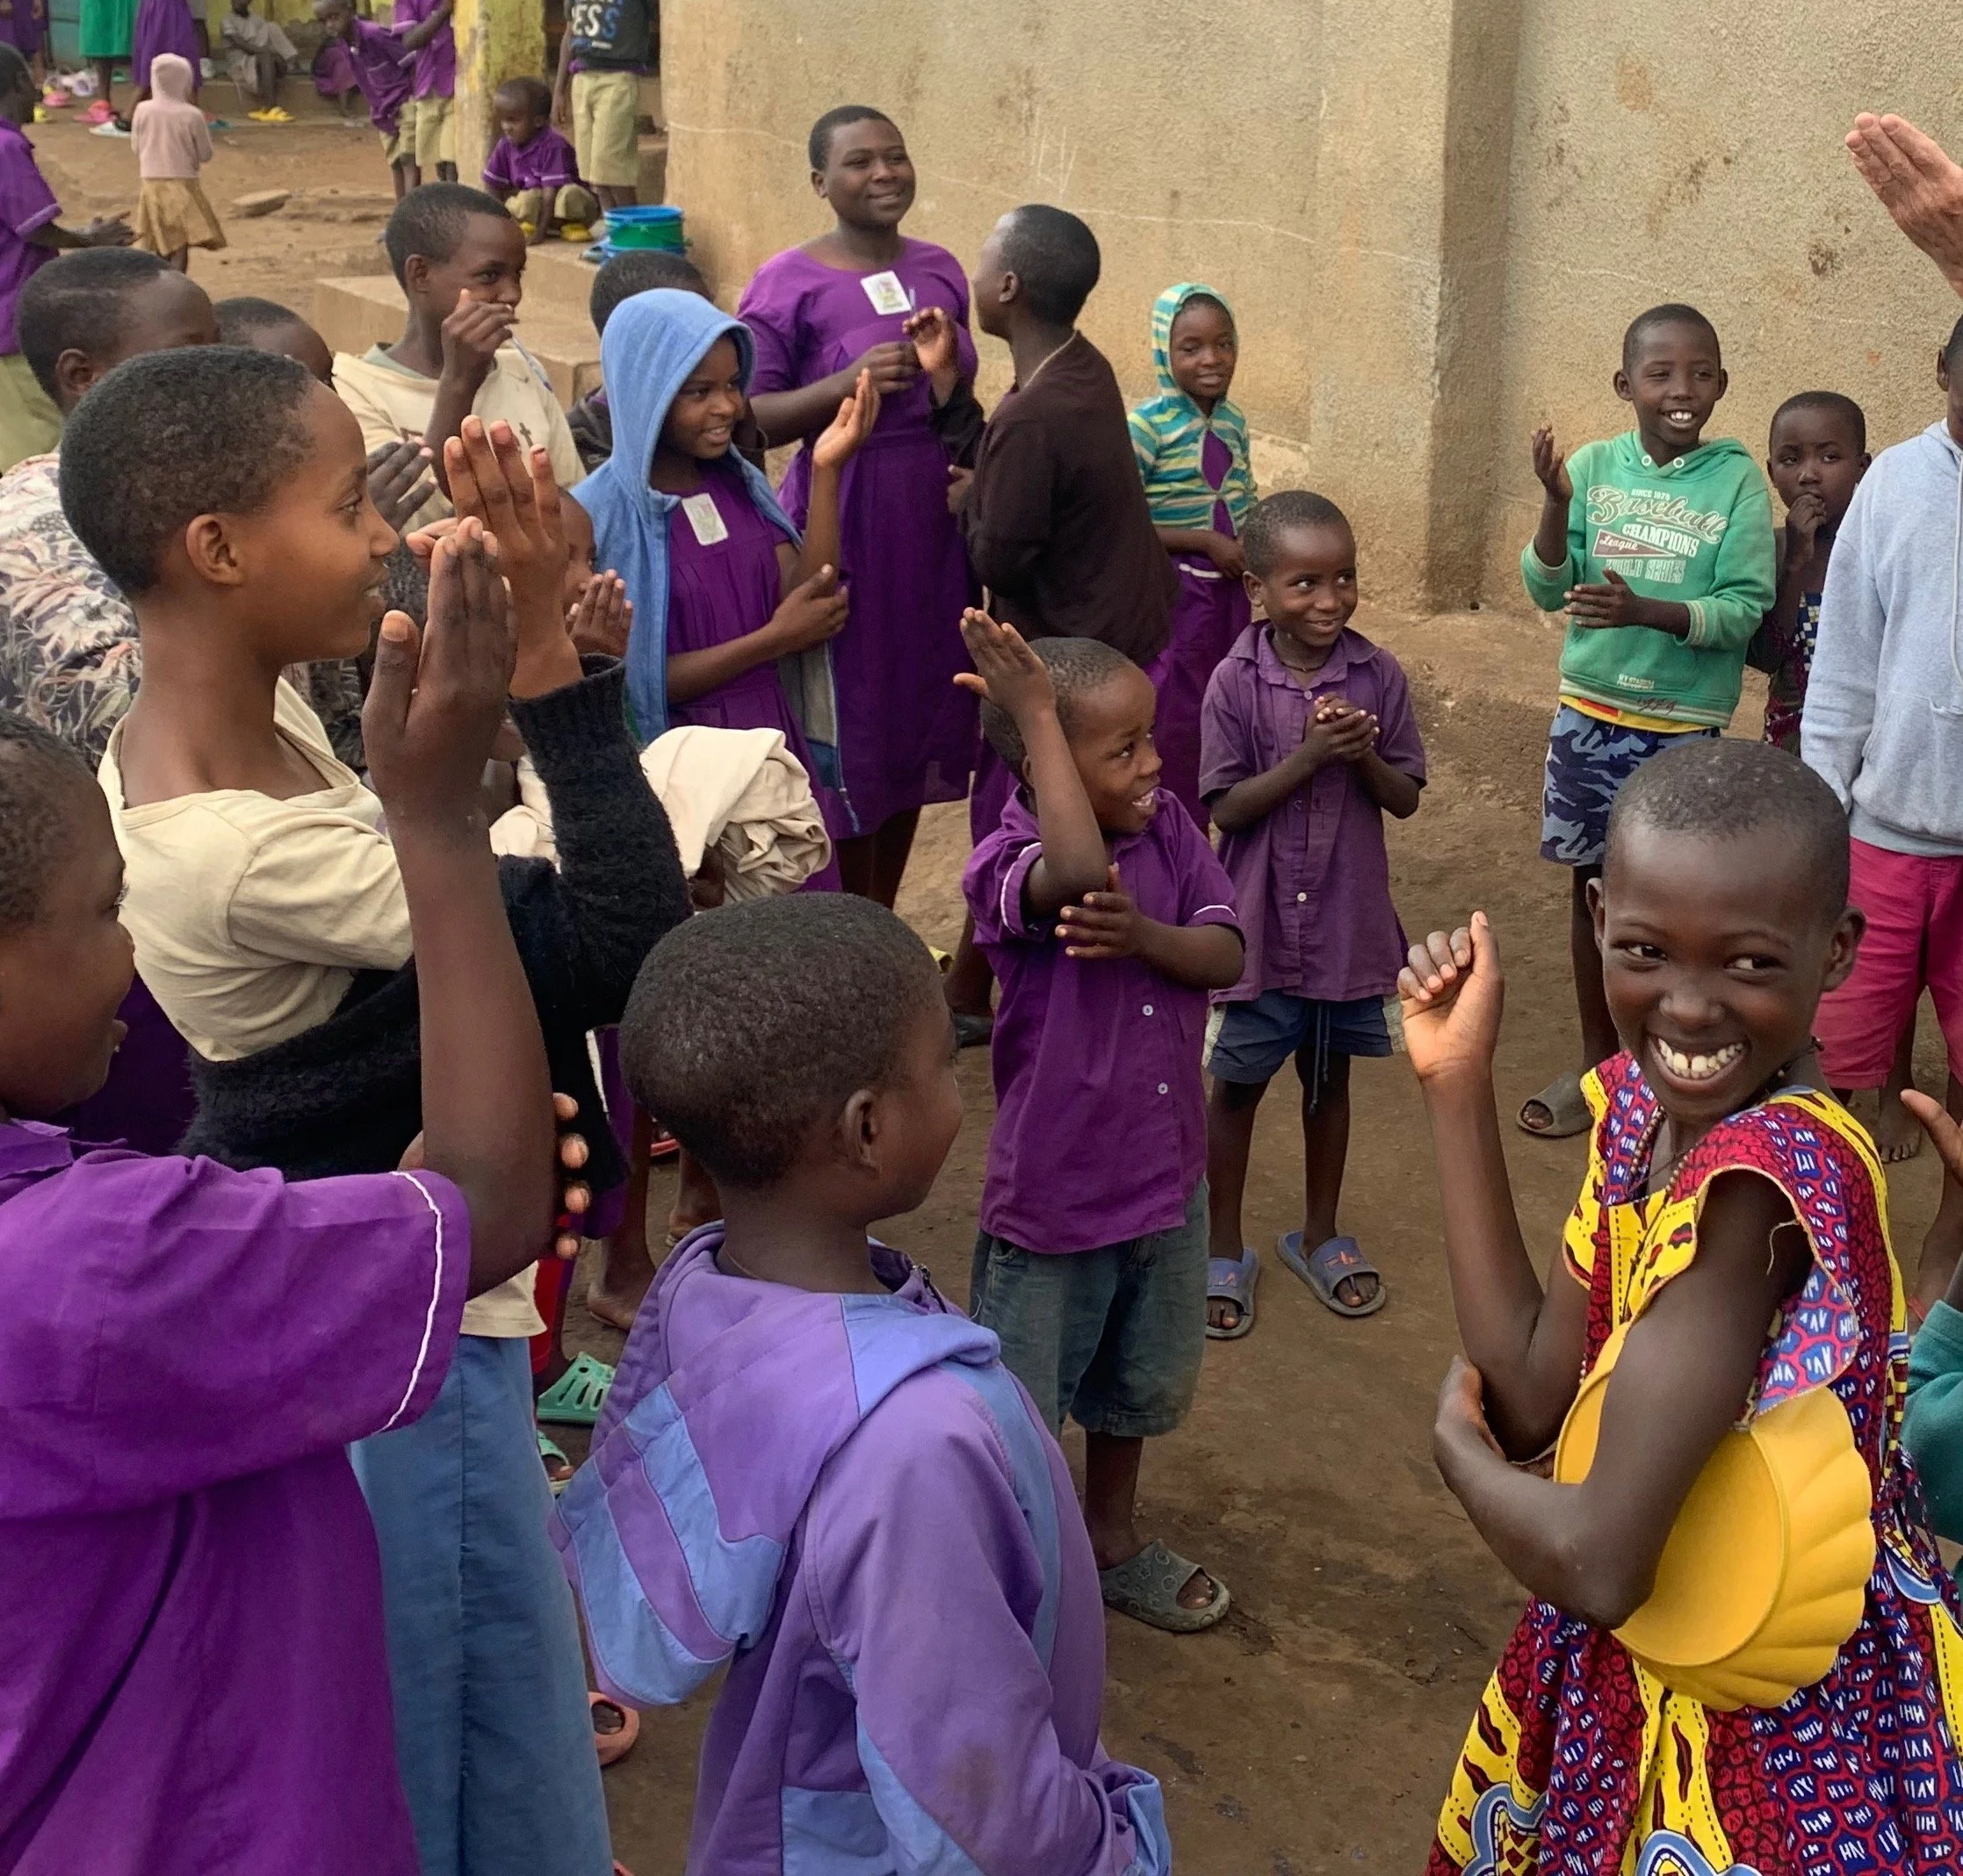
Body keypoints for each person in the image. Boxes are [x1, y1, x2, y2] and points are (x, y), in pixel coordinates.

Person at [77, 350, 689, 1876]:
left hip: (367, 1311)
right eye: (349, 503)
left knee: (452, 1712)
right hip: (412, 1363)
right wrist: (554, 675)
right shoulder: (235, 853)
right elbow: (624, 939)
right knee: (448, 1757)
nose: (379, 536)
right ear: (219, 551)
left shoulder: (218, 738)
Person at [0, 538, 595, 1868]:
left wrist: (362, 1233)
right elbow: (494, 1207)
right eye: (102, 915)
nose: (129, 954)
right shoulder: (99, 1260)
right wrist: (435, 824)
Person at [1401, 735, 1963, 1872]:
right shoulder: (1635, 1119)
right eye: (1645, 952)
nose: (1688, 1008)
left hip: (1760, 1709)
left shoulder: (1758, 1190)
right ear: (1597, 917)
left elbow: (1600, 1559)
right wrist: (1456, 1085)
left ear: (1836, 952)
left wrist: (1456, 1458)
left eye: (1748, 964)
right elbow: (1529, 1389)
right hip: (1669, 1642)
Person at [553, 892, 1174, 1876]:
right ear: (870, 1130)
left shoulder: (711, 1302)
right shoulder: (910, 1451)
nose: (961, 1088)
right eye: (944, 1064)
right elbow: (978, 1809)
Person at [960, 611, 1241, 1634]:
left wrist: (1147, 938)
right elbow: (1074, 875)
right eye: (1121, 749)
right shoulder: (1007, 860)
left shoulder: (1170, 832)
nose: (1154, 764)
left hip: (1166, 1182)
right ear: (1043, 765)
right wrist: (1035, 706)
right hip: (1057, 1193)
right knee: (1021, 1407)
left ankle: (1110, 1536)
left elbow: (1227, 955)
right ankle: (1014, 1568)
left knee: (1136, 1382)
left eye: (1151, 737)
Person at [1515, 302, 1775, 1140]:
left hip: (1682, 726)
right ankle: (1602, 1072)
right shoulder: (1592, 468)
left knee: (1676, 902)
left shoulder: (1734, 481)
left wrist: (1647, 609)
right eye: (1660, 374)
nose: (1681, 390)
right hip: (1591, 716)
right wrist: (1555, 503)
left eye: (1701, 373)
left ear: (1722, 384)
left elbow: (1742, 610)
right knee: (1591, 892)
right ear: (1625, 384)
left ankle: (1666, 1072)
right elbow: (1548, 587)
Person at [932, 204, 1176, 1043]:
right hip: (1113, 632)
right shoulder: (1078, 368)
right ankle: (967, 983)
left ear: (1006, 286)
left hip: (1074, 662)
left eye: (979, 263)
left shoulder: (1036, 414)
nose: (969, 279)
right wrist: (957, 408)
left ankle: (976, 991)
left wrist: (969, 503)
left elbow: (998, 554)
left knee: (1023, 819)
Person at [737, 105, 978, 906]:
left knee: (914, 728)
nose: (883, 174)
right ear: (819, 182)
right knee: (849, 732)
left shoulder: (941, 267)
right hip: (844, 520)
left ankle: (879, 918)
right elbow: (748, 419)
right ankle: (839, 931)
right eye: (859, 162)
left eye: (895, 157)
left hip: (931, 534)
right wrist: (846, 386)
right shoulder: (786, 284)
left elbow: (960, 405)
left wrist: (942, 374)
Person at [1199, 492, 1423, 1336]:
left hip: (1343, 929)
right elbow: (1226, 807)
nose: (1329, 601)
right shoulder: (1233, 682)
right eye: (1304, 583)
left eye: (1344, 578)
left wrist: (1361, 757)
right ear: (1256, 588)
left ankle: (1319, 1233)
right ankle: (1223, 1244)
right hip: (1257, 932)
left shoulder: (1378, 677)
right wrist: (1309, 756)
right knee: (1237, 1091)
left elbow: (1402, 798)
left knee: (1328, 1086)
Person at [571, 285, 875, 875]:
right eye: (698, 392)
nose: (727, 407)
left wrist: (827, 469)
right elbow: (636, 682)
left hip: (775, 747)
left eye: (733, 385)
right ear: (646, 391)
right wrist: (771, 642)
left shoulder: (736, 483)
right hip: (694, 770)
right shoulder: (596, 516)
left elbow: (804, 598)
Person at [1803, 318, 1963, 1314]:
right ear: (1941, 368)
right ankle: (1830, 1275)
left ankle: (1946, 1280)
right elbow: (1846, 668)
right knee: (1836, 1072)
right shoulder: (1896, 488)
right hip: (1884, 841)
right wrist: (1822, 823)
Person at [335, 183, 583, 531]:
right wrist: (458, 382)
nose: (512, 294)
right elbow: (409, 523)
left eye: (518, 274)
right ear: (421, 274)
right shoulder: (354, 390)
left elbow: (571, 502)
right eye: (489, 275)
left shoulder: (522, 370)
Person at [1130, 282, 1257, 828]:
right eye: (1191, 347)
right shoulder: (1146, 426)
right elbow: (1125, 518)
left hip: (1230, 592)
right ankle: (1174, 822)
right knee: (1177, 712)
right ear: (1165, 352)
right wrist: (1205, 542)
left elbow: (1243, 497)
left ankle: (1223, 806)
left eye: (1223, 344)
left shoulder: (1233, 424)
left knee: (1229, 699)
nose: (1211, 359)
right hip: (1178, 595)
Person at [0, 46, 130, 472]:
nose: (37, 95)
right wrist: (89, 240)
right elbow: (33, 225)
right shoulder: (6, 148)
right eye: (31, 82)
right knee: (38, 435)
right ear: (18, 84)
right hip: (12, 316)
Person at [566, 245, 716, 470]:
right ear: (637, 339)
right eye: (693, 325)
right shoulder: (581, 447)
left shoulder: (713, 416)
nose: (713, 335)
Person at [128, 54, 223, 272]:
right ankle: (177, 290)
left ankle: (161, 288)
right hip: (183, 184)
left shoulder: (142, 110)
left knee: (161, 240)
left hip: (150, 184)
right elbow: (205, 154)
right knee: (179, 244)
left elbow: (136, 147)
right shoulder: (192, 115)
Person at [552, 0, 646, 213]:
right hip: (582, 79)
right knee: (593, 174)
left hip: (618, 79)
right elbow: (569, 35)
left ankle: (632, 231)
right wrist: (559, 91)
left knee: (612, 168)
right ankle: (613, 232)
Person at [314, 0, 415, 198]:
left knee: (408, 159)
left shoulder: (373, 34)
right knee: (395, 163)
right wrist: (378, 108)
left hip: (403, 101)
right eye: (323, 21)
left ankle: (409, 219)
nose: (329, 25)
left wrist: (411, 98)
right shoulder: (343, 42)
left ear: (350, 10)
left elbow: (410, 61)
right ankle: (399, 216)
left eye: (334, 17)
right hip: (382, 109)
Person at [482, 75, 597, 243]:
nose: (506, 127)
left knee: (569, 195)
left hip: (565, 206)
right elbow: (492, 184)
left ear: (538, 121)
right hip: (539, 204)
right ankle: (528, 224)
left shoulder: (553, 145)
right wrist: (499, 224)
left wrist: (541, 234)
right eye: (504, 120)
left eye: (513, 121)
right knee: (527, 198)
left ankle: (572, 225)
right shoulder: (505, 145)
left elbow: (551, 194)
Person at [393, 0, 456, 190]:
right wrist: (444, 11)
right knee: (439, 160)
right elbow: (410, 40)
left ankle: (453, 209)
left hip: (456, 86)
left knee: (453, 158)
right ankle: (447, 205)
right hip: (427, 88)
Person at [220, 0, 298, 119]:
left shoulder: (256, 19)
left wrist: (273, 54)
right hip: (240, 64)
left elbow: (262, 45)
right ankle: (270, 106)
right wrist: (268, 52)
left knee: (272, 27)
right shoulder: (227, 20)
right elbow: (242, 45)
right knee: (267, 57)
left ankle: (291, 61)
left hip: (257, 57)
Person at [129, 0, 198, 105]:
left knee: (184, 59)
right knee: (153, 63)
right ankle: (130, 114)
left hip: (169, 8)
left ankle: (192, 110)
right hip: (163, 9)